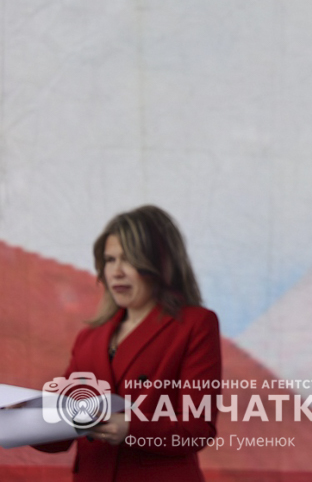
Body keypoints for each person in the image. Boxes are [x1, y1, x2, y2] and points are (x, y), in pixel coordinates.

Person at [36, 205, 222, 482]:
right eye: (110, 260)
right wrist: (21, 421)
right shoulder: (89, 338)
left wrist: (130, 428)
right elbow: (59, 433)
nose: (116, 272)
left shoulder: (195, 324)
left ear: (161, 265)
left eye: (129, 260)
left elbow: (197, 429)